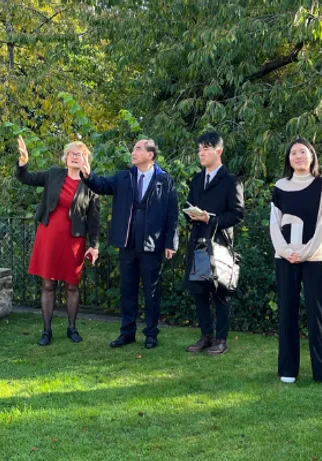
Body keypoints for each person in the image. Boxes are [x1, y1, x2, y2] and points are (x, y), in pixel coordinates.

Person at [80, 138, 178, 349]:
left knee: (151, 292)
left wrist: (171, 242)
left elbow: (172, 214)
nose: (133, 152)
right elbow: (102, 185)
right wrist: (88, 175)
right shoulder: (124, 177)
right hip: (127, 244)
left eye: (138, 149)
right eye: (133, 149)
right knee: (127, 291)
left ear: (150, 155)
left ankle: (151, 334)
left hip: (152, 245)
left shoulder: (164, 180)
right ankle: (127, 333)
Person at [269, 138, 322, 389]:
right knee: (287, 312)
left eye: (303, 152)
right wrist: (286, 251)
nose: (298, 156)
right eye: (293, 153)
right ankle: (288, 368)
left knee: (318, 314)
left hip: (314, 257)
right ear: (288, 160)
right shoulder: (280, 186)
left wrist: (306, 252)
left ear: (312, 156)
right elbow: (274, 224)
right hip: (286, 258)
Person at [15, 136, 100, 346]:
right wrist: (23, 161)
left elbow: (94, 218)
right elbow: (26, 178)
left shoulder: (91, 184)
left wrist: (94, 245)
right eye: (71, 153)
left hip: (74, 241)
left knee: (72, 285)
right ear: (65, 158)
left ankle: (72, 328)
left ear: (85, 160)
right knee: (48, 284)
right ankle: (46, 331)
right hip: (49, 237)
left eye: (79, 154)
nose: (74, 157)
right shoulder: (53, 174)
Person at [183, 131, 245, 355]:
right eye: (199, 149)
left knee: (221, 292)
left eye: (205, 149)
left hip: (219, 243)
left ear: (218, 151)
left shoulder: (231, 181)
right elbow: (188, 206)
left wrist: (212, 218)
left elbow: (238, 214)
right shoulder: (197, 180)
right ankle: (206, 336)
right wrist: (190, 215)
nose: (201, 153)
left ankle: (221, 339)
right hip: (198, 241)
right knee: (199, 291)